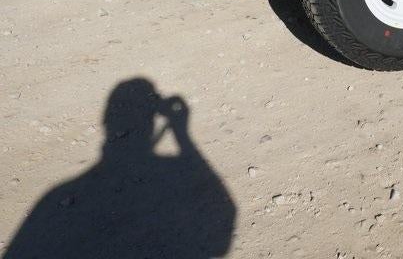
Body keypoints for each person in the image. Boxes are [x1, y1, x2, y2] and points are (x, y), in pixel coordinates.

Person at [4, 78, 235, 259]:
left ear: (105, 123)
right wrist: (181, 133)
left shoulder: (55, 198)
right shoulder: (175, 172)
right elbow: (222, 232)